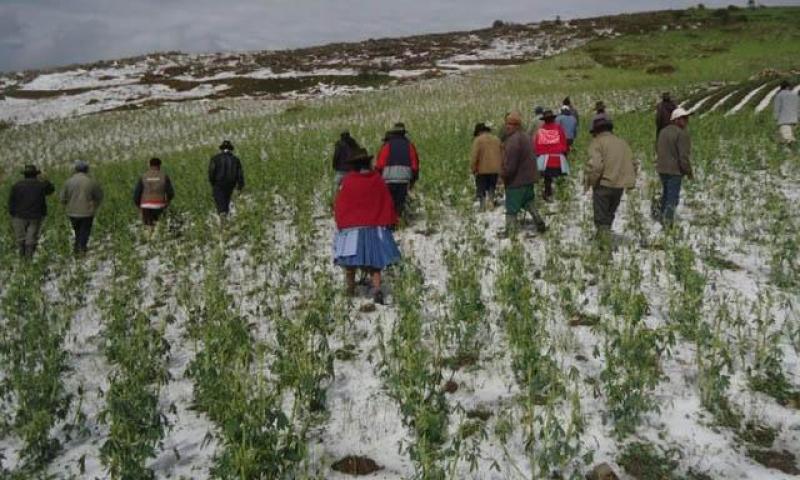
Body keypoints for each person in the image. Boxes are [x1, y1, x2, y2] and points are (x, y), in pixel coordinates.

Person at [333, 150, 401, 304]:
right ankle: (377, 288)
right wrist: (390, 220)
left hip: (352, 227)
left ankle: (350, 288)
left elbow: (341, 204)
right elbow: (387, 201)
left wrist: (341, 222)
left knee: (349, 261)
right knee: (374, 262)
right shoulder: (377, 180)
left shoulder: (348, 181)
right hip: (374, 226)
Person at [584, 117, 638, 238]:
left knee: (601, 218)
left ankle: (605, 249)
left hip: (603, 184)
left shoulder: (597, 143)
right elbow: (633, 163)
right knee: (609, 215)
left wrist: (591, 182)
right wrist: (630, 182)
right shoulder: (622, 142)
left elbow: (596, 166)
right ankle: (603, 238)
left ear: (596, 131)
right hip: (619, 186)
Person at [502, 111, 546, 235]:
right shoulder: (526, 137)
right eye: (507, 124)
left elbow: (510, 165)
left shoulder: (513, 141)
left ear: (517, 126)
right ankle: (539, 221)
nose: (507, 126)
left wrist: (503, 175)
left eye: (511, 124)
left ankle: (510, 231)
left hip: (517, 181)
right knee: (528, 201)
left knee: (511, 207)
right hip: (529, 179)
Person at [656, 108, 693, 226]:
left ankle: (661, 218)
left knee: (666, 195)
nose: (686, 121)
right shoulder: (681, 134)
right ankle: (668, 223)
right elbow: (683, 157)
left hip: (661, 169)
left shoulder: (663, 132)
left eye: (686, 118)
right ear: (676, 120)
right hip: (674, 171)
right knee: (672, 198)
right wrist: (688, 172)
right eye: (683, 118)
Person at [8, 165, 55, 258]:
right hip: (36, 216)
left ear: (24, 175)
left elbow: (11, 201)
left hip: (19, 216)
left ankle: (22, 258)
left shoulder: (17, 186)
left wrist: (12, 213)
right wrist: (46, 180)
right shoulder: (41, 185)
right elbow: (51, 190)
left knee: (21, 238)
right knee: (31, 239)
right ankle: (29, 259)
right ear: (36, 175)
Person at [374, 122, 419, 219]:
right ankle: (400, 219)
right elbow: (415, 164)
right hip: (404, 178)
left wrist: (378, 176)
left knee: (389, 201)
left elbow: (380, 164)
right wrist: (413, 179)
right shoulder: (409, 146)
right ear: (404, 133)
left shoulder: (387, 145)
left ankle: (390, 220)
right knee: (400, 201)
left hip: (388, 179)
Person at [61, 161, 104, 254]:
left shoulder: (68, 182)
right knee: (85, 231)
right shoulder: (91, 182)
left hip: (72, 212)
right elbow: (99, 196)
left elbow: (62, 198)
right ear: (87, 170)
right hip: (87, 211)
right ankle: (82, 248)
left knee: (77, 231)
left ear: (76, 170)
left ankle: (77, 247)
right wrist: (95, 206)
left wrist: (66, 206)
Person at [533, 110, 570, 203]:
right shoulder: (558, 128)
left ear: (544, 120)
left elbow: (537, 146)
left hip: (545, 160)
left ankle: (548, 193)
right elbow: (564, 143)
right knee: (560, 177)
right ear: (553, 119)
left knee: (547, 178)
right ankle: (561, 195)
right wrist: (564, 153)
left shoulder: (541, 130)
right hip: (558, 158)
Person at [133, 157, 175, 228]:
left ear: (149, 165)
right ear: (159, 166)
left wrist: (139, 206)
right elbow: (170, 193)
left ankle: (148, 237)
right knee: (159, 226)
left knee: (148, 227)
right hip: (159, 205)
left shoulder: (143, 177)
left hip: (145, 205)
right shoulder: (164, 176)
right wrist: (167, 202)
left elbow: (136, 194)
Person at [470, 122, 503, 210]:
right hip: (495, 169)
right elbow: (503, 153)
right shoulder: (497, 139)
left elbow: (474, 156)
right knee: (492, 186)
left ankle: (482, 206)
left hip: (482, 169)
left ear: (479, 132)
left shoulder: (478, 140)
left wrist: (473, 168)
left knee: (481, 188)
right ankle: (491, 202)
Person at [208, 140, 244, 216]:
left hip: (219, 184)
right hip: (230, 184)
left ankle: (223, 223)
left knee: (221, 205)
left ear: (221, 149)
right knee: (226, 203)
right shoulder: (235, 160)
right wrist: (240, 186)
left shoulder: (215, 158)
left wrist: (213, 183)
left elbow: (211, 172)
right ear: (231, 149)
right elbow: (240, 174)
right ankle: (225, 220)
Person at [773, 81, 798, 146]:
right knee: (786, 136)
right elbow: (798, 107)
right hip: (794, 120)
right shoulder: (795, 95)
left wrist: (776, 118)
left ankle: (792, 150)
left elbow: (777, 108)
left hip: (783, 120)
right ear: (788, 87)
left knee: (787, 138)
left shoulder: (779, 95)